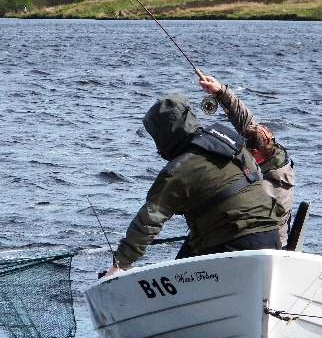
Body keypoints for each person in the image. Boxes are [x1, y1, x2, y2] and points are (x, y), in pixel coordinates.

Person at [104, 90, 285, 278]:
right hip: (272, 237)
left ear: (164, 134)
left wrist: (120, 264)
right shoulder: (230, 142)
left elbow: (149, 220)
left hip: (231, 245)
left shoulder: (179, 169)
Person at [199, 75, 295, 247]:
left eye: (246, 151)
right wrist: (220, 91)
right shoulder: (269, 148)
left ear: (256, 152)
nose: (241, 153)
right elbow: (243, 117)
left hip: (267, 244)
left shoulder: (271, 186)